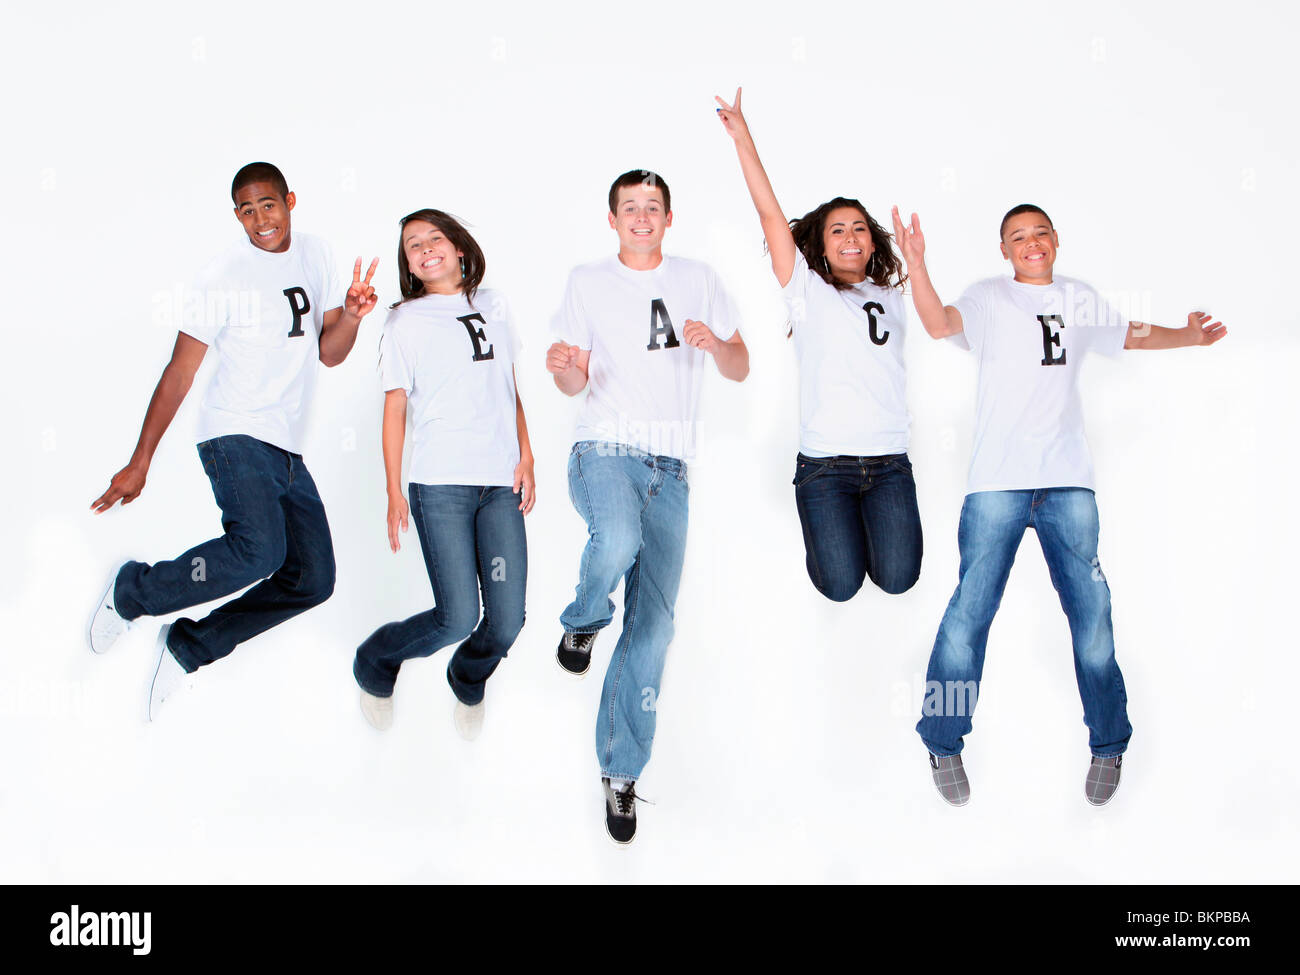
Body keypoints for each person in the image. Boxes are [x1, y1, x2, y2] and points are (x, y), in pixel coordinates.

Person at [892, 202, 1226, 806]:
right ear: (1004, 250)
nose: (1031, 243)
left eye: (1039, 233)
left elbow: (1131, 334)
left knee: (1092, 617)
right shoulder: (990, 298)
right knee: (968, 618)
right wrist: (917, 264)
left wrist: (1191, 335)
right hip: (997, 483)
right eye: (1017, 237)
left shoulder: (1079, 298)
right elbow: (941, 324)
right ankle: (943, 738)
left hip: (1068, 483)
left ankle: (1109, 743)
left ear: (1055, 240)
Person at [88, 162, 379, 720]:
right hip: (233, 433)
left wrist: (355, 317)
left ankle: (190, 644)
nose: (260, 220)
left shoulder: (317, 253)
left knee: (313, 579)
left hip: (286, 449)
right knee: (259, 552)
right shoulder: (223, 274)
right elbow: (180, 370)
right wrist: (140, 459)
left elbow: (329, 350)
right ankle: (134, 591)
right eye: (246, 210)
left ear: (290, 201)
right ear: (237, 215)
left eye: (268, 205)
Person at [546, 169, 749, 844]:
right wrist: (564, 365)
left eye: (652, 207)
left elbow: (740, 364)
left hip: (673, 470)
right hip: (604, 449)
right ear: (612, 218)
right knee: (615, 541)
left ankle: (621, 771)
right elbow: (573, 380)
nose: (641, 216)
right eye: (629, 207)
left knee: (656, 630)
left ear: (669, 217)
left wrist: (715, 343)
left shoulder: (698, 277)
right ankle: (582, 619)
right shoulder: (587, 280)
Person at [715, 87, 921, 602]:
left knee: (899, 579)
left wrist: (917, 263)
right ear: (822, 247)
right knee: (840, 585)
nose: (849, 236)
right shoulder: (806, 291)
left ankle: (867, 527)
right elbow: (769, 217)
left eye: (858, 228)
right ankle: (826, 522)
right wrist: (744, 139)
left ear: (872, 240)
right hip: (826, 466)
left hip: (889, 463)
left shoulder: (894, 294)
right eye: (837, 231)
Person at [352, 209, 533, 740]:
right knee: (456, 617)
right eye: (413, 245)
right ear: (407, 263)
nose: (426, 248)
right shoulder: (404, 321)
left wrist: (527, 453)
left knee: (506, 621)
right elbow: (394, 409)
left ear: (459, 247)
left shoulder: (494, 305)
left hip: (500, 485)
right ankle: (375, 659)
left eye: (436, 238)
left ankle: (467, 676)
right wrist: (393, 490)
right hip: (441, 487)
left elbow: (509, 386)